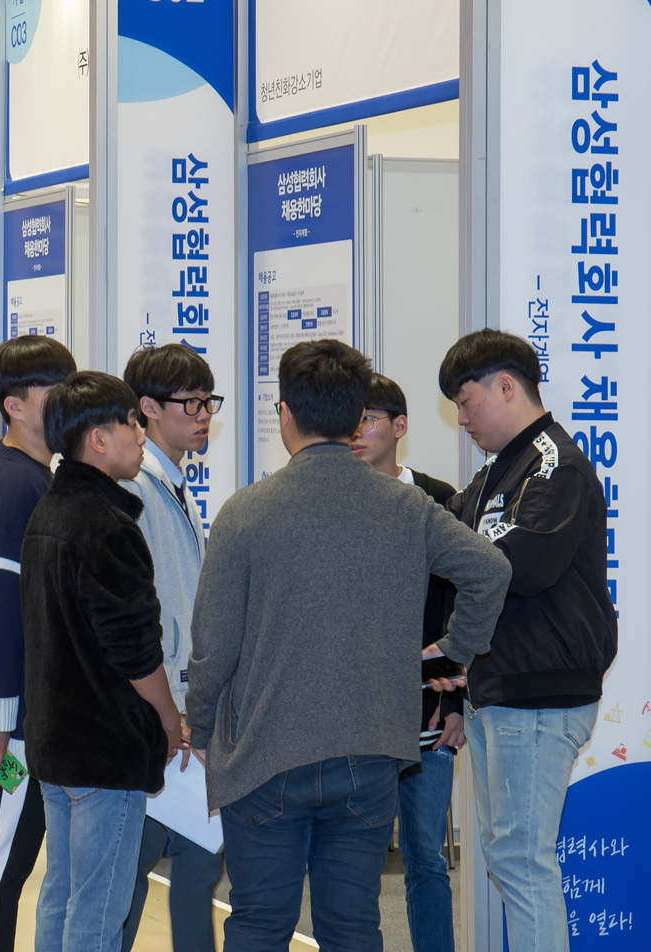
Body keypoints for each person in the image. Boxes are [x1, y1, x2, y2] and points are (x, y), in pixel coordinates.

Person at [186, 340, 511, 951]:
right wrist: (455, 651)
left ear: (285, 414)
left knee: (258, 925)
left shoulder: (245, 513)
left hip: (263, 752)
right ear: (358, 417)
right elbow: (490, 571)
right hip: (370, 753)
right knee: (354, 928)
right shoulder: (407, 506)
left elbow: (214, 645)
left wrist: (200, 726)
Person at [436, 329, 616, 951]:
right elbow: (447, 544)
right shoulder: (495, 473)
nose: (462, 420)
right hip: (501, 688)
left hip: (540, 693)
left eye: (466, 403)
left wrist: (457, 557)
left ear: (506, 386)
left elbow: (524, 565)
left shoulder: (554, 463)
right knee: (509, 856)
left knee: (521, 861)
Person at [24, 371, 185, 952]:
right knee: (98, 908)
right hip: (103, 748)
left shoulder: (49, 511)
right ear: (97, 438)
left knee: (62, 891)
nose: (140, 436)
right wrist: (168, 717)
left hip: (56, 743)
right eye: (131, 424)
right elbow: (135, 650)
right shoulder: (108, 526)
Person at [0, 335, 76, 952]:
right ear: (15, 404)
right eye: (56, 391)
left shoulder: (30, 475)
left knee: (11, 848)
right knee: (2, 854)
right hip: (13, 726)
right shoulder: (13, 486)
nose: (68, 402)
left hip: (23, 716)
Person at [346, 372, 463, 952]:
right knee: (354, 861)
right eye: (350, 420)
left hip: (429, 711)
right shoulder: (335, 502)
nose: (356, 431)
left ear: (400, 426)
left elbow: (460, 603)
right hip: (356, 715)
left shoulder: (438, 499)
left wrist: (457, 701)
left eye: (367, 419)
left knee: (425, 857)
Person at [114, 344, 225, 952]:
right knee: (133, 867)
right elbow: (140, 617)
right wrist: (170, 711)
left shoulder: (173, 483)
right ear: (149, 407)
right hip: (158, 709)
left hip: (182, 705)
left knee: (196, 862)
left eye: (209, 402)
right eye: (192, 403)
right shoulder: (137, 489)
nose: (204, 415)